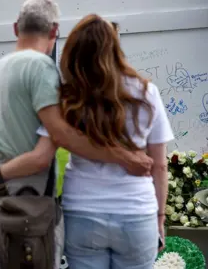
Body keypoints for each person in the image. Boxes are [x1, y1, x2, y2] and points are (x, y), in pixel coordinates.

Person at [0, 0, 154, 268]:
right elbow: (60, 137)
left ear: (15, 29)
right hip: (32, 212)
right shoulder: (41, 68)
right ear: (54, 31)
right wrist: (123, 157)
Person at [39, 14, 170, 268]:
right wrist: (160, 216)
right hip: (136, 211)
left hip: (83, 211)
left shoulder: (67, 96)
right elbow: (160, 165)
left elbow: (50, 143)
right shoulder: (145, 92)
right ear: (115, 47)